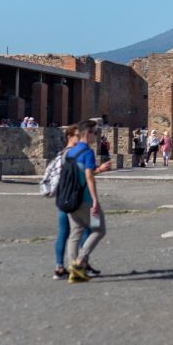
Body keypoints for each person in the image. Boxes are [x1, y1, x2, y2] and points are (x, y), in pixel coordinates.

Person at [65, 120, 107, 283]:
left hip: (69, 198)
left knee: (75, 233)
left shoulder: (69, 152)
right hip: (86, 200)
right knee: (99, 229)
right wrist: (95, 200)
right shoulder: (87, 152)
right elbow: (89, 176)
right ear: (86, 133)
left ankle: (73, 271)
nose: (96, 136)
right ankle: (79, 262)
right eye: (94, 133)